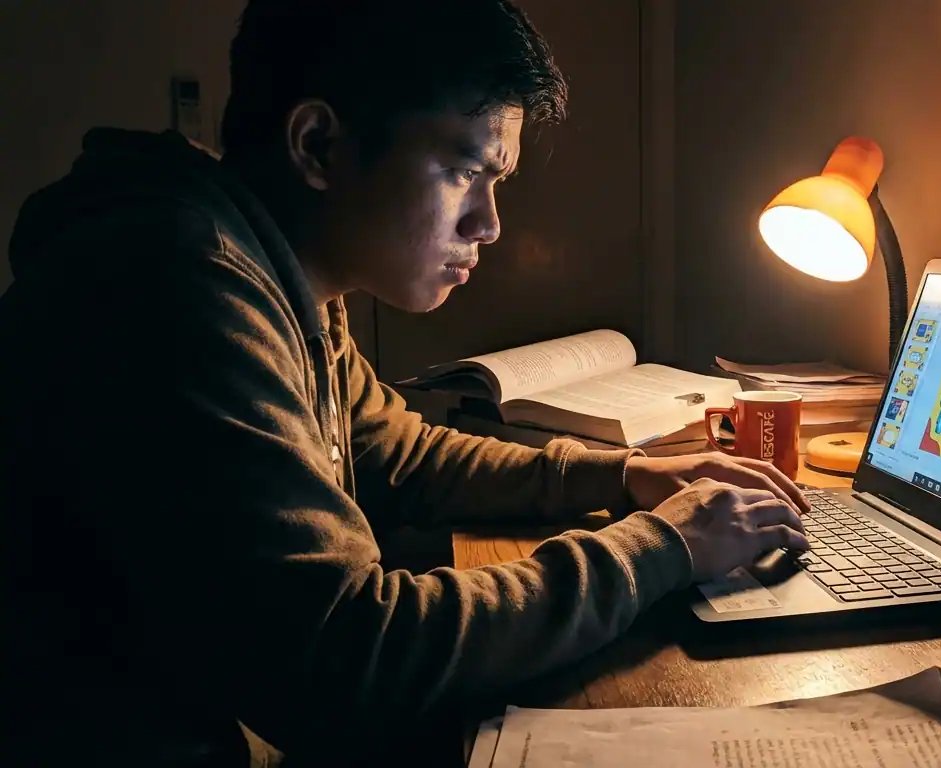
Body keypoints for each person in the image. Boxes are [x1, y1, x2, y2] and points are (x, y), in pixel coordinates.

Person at [0, 1, 810, 765]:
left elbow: (397, 452)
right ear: (317, 145)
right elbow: (350, 655)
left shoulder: (281, 271)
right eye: (466, 172)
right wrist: (661, 548)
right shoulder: (181, 287)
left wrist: (621, 475)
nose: (489, 224)